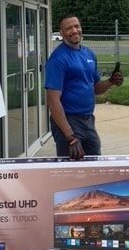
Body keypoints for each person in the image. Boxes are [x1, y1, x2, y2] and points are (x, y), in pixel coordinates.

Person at [45, 15, 123, 160]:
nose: (74, 30)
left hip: (88, 120)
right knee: (71, 171)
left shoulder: (89, 54)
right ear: (61, 34)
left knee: (94, 164)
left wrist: (111, 81)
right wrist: (70, 137)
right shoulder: (58, 59)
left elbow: (95, 88)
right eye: (69, 28)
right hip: (68, 121)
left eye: (76, 26)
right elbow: (53, 101)